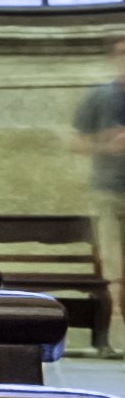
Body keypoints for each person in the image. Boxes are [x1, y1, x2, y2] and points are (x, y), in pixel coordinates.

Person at [72, 37, 125, 289]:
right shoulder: (98, 97)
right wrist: (107, 145)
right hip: (108, 190)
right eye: (122, 53)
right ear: (114, 59)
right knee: (113, 265)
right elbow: (77, 144)